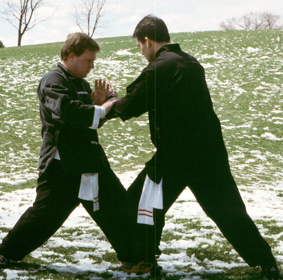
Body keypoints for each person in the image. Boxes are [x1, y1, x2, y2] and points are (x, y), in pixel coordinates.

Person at [106, 15, 281, 279]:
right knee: (229, 212)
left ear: (147, 40)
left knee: (140, 202)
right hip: (210, 154)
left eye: (140, 46)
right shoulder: (190, 62)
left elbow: (131, 105)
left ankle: (144, 260)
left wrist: (108, 102)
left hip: (175, 157)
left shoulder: (160, 67)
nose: (141, 52)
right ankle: (266, 263)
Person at [0, 32, 132, 271]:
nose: (92, 66)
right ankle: (5, 253)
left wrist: (98, 106)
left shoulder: (82, 83)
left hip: (89, 161)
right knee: (44, 217)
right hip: (61, 166)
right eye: (88, 60)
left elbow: (88, 121)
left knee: (116, 205)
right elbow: (69, 112)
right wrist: (104, 107)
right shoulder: (52, 81)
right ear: (70, 55)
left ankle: (136, 258)